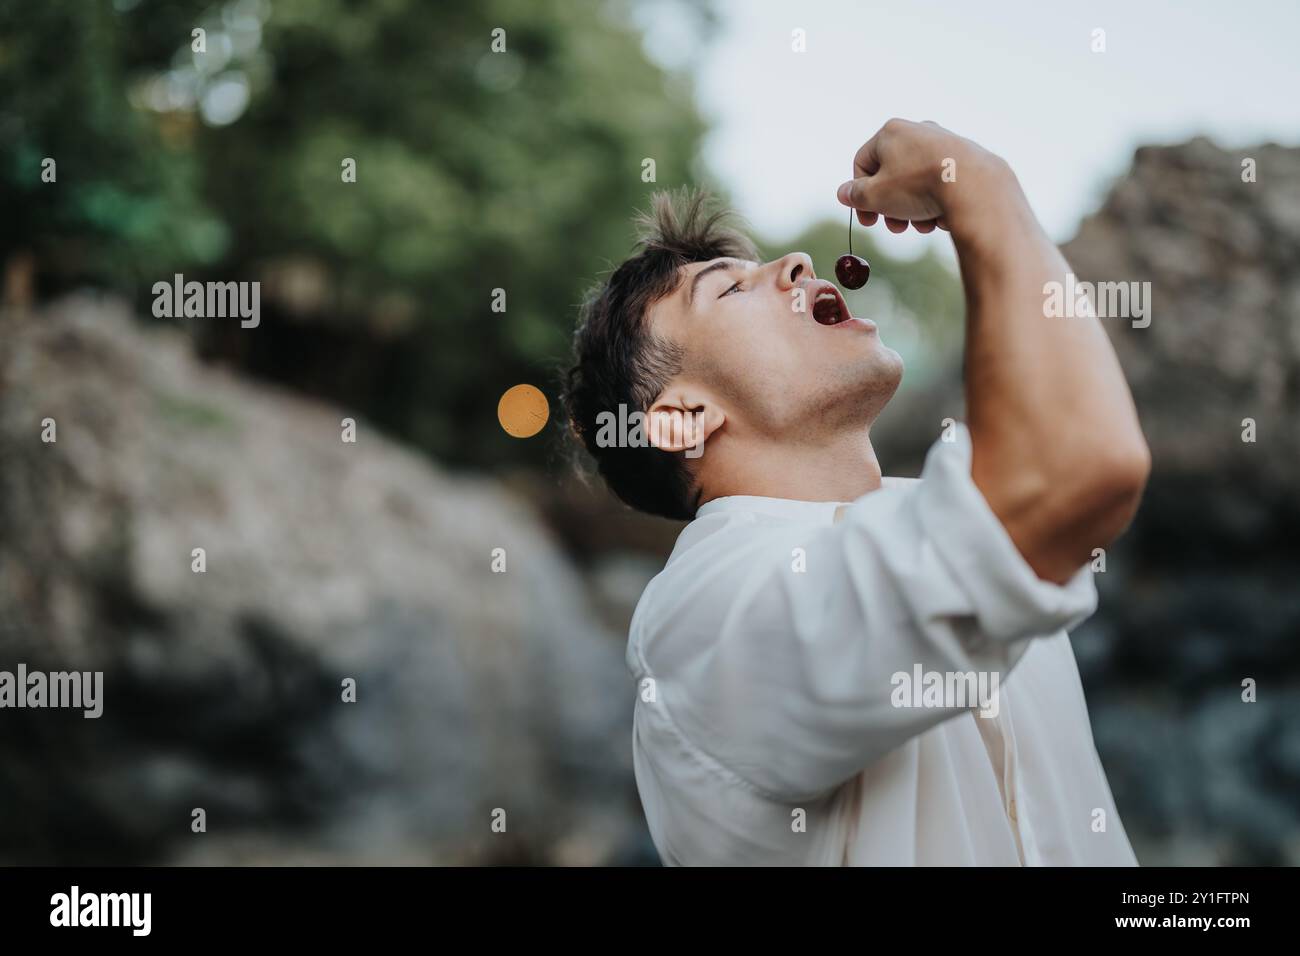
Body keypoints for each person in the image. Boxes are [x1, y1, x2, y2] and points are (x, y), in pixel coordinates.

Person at [561, 119, 1150, 865]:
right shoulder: (703, 615)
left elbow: (1060, 458)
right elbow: (1078, 469)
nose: (799, 263)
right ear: (682, 418)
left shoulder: (946, 498)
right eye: (732, 287)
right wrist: (974, 180)